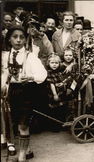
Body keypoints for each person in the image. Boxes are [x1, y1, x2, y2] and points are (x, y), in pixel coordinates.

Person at [1, 25, 47, 162]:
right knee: (14, 123)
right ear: (9, 39)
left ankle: (22, 156)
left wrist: (32, 77)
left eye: (21, 37)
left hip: (26, 92)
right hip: (10, 93)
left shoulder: (30, 56)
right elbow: (3, 74)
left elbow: (42, 74)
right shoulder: (5, 56)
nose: (18, 40)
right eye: (15, 37)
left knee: (23, 124)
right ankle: (27, 149)